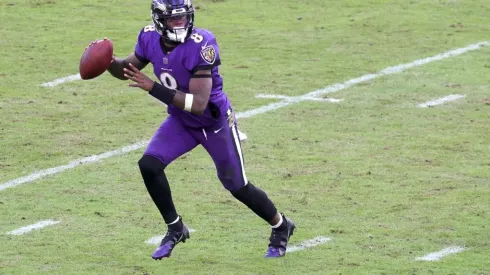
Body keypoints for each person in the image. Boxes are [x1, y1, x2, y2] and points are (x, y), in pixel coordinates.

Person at [105, 0, 295, 259]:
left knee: (237, 186)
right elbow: (127, 69)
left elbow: (198, 104)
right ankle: (175, 227)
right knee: (149, 165)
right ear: (159, 20)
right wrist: (106, 61)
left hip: (213, 122)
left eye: (183, 18)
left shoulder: (201, 44)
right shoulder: (149, 37)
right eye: (173, 19)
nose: (179, 23)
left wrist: (153, 87)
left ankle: (281, 225)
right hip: (181, 121)